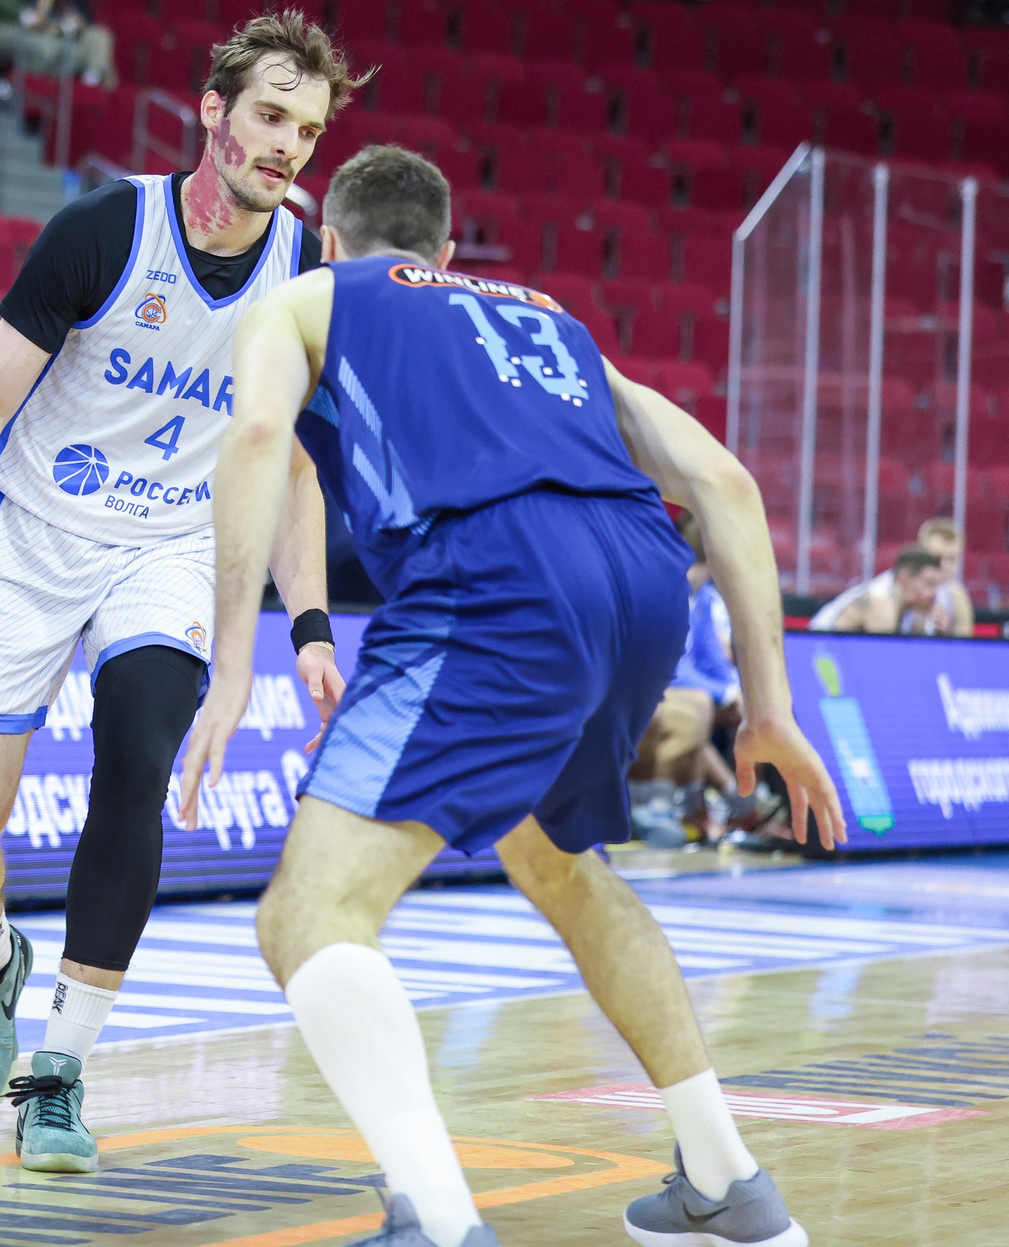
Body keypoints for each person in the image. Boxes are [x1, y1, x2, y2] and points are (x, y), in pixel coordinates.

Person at [184, 141, 843, 1247]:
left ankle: (437, 1224)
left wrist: (230, 655)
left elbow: (257, 435)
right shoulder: (547, 315)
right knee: (557, 861)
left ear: (331, 239)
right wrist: (768, 708)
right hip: (640, 578)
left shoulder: (308, 292)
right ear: (448, 251)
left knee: (309, 914)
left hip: (495, 576)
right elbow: (723, 483)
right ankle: (728, 1185)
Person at [0, 9, 346, 1173]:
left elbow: (292, 464)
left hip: (175, 551)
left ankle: (59, 1071)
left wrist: (305, 623)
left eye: (307, 127)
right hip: (36, 529)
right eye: (268, 114)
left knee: (136, 755)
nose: (288, 144)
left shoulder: (306, 272)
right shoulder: (103, 228)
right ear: (213, 112)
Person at [631, 520, 743, 849]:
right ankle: (672, 805)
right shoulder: (663, 586)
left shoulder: (704, 596)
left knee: (744, 711)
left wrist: (738, 690)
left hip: (679, 688)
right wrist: (724, 692)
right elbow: (669, 662)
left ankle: (727, 804)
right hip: (645, 683)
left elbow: (712, 661)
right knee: (699, 705)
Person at [807, 515, 976, 634]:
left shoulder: (955, 597)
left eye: (952, 559)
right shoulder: (883, 600)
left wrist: (944, 635)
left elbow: (962, 657)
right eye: (937, 558)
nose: (944, 567)